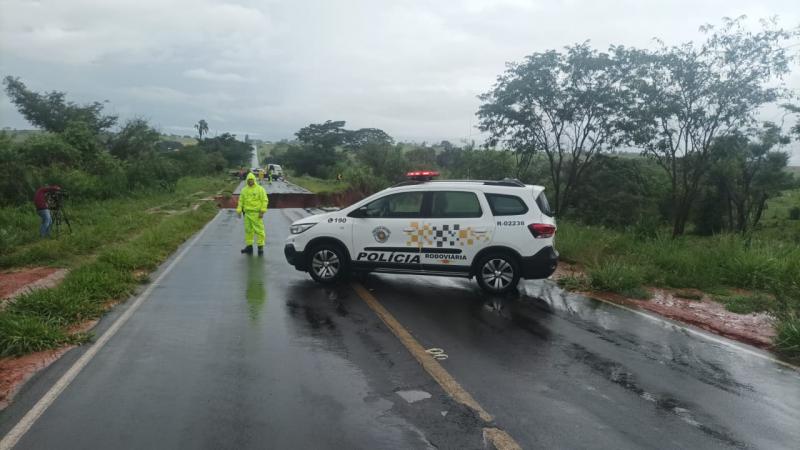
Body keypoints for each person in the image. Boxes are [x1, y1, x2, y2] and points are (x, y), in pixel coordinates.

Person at [237, 172, 268, 255]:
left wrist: (262, 211)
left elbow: (264, 200)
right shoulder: (244, 190)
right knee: (248, 230)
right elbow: (241, 201)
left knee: (259, 231)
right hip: (247, 214)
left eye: (251, 180)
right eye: (249, 180)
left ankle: (260, 247)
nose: (250, 181)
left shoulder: (260, 189)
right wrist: (239, 210)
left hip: (257, 214)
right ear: (247, 180)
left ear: (254, 180)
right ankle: (249, 247)